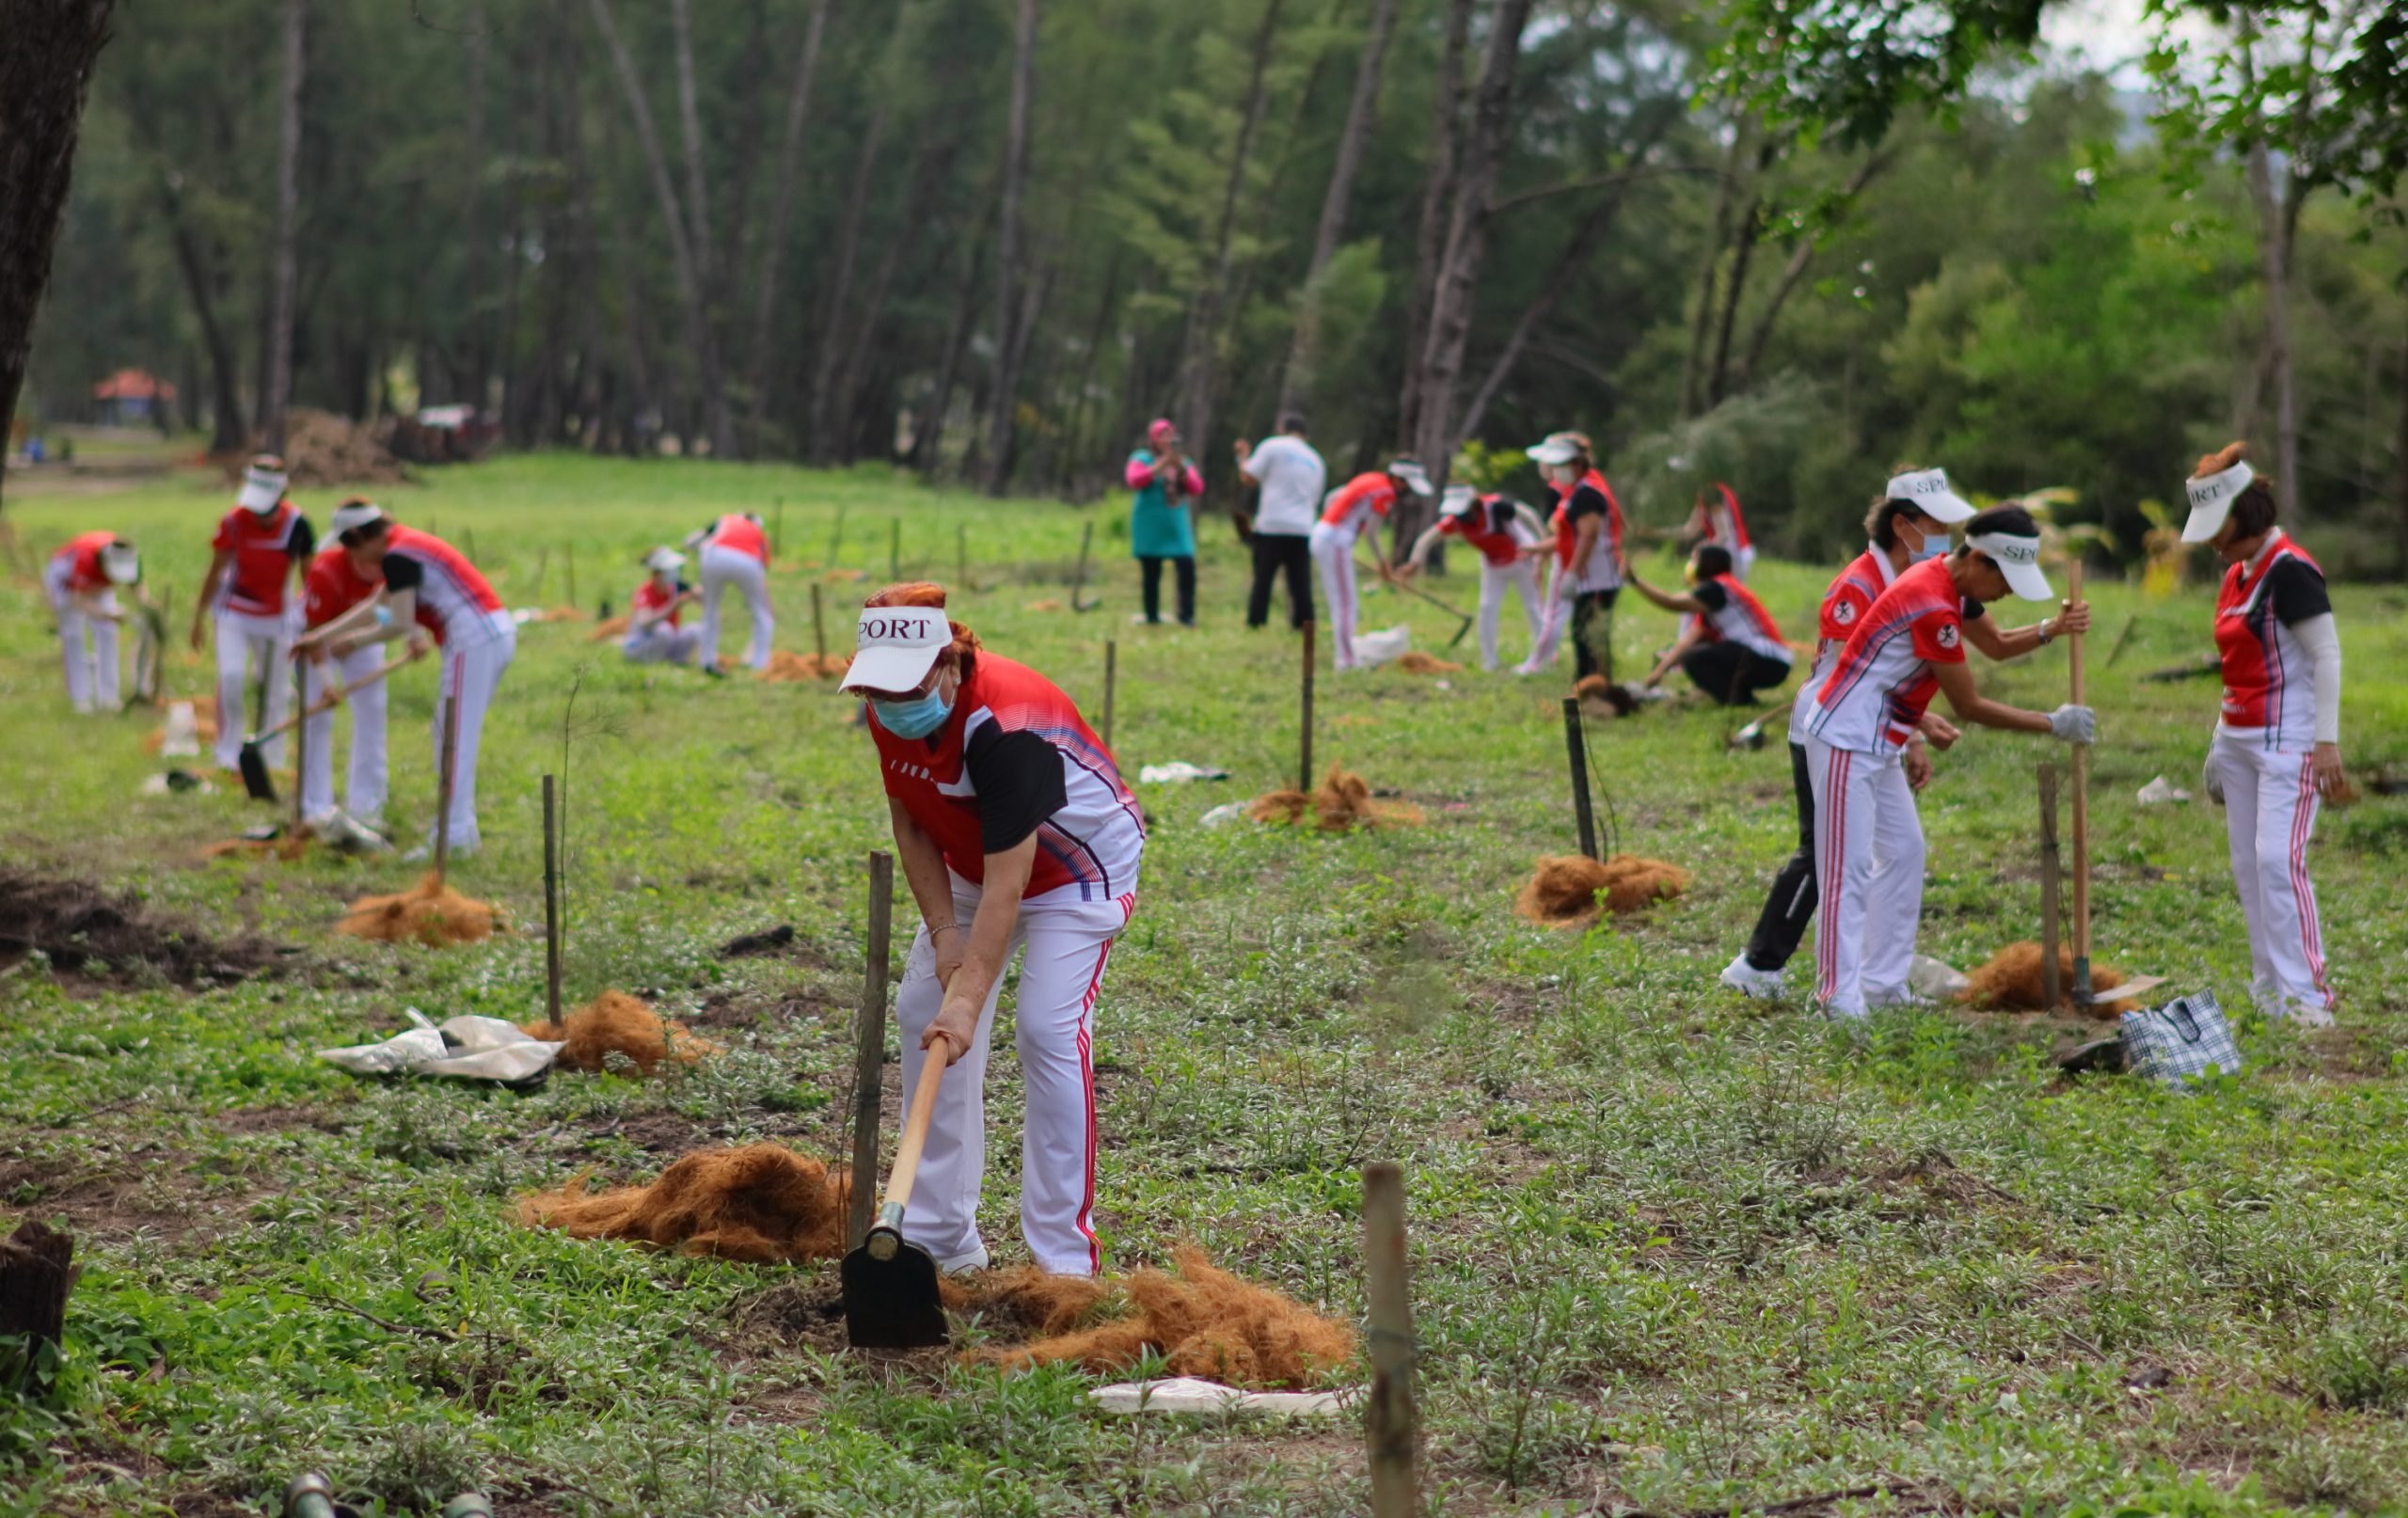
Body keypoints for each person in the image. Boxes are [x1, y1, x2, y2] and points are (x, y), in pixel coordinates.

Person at [840, 582, 1145, 1277]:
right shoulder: (889, 708)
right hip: (977, 861)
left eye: (904, 689)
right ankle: (945, 1240)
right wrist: (947, 937)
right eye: (877, 694)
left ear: (948, 663)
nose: (889, 706)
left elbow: (1013, 879)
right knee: (922, 1006)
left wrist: (972, 996)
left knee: (1045, 1028)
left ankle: (1065, 1262)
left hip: (1075, 872)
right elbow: (911, 818)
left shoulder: (1009, 727)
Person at [1798, 502, 2095, 1019]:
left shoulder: (1950, 584)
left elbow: (1998, 645)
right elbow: (1970, 706)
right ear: (1979, 559)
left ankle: (1882, 984)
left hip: (1882, 736)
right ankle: (1833, 997)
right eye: (2005, 580)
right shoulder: (1933, 602)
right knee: (1845, 870)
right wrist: (2053, 722)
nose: (2006, 593)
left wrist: (2053, 627)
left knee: (1906, 851)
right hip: (1847, 735)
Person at [2183, 442, 2343, 1024]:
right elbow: (2238, 665)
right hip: (2238, 739)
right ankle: (2270, 994)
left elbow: (2326, 656)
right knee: (2248, 868)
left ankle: (2308, 1002)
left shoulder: (2290, 571)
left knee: (2278, 862)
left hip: (2288, 743)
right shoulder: (2234, 575)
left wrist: (2326, 743)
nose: (2208, 540)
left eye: (2215, 526)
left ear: (2243, 515)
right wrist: (2217, 743)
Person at [289, 502, 515, 858]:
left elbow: (397, 623)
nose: (349, 555)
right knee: (450, 733)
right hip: (488, 634)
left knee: (451, 737)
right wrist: (320, 638)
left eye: (350, 546)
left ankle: (453, 835)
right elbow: (375, 604)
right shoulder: (402, 547)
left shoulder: (397, 556)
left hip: (474, 637)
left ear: (361, 537)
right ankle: (459, 830)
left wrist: (354, 642)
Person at [296, 504, 416, 833]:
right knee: (317, 720)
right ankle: (315, 807)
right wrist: (326, 683)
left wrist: (414, 635)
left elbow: (389, 612)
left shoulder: (389, 563)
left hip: (361, 639)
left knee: (372, 715)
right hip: (317, 639)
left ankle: (367, 808)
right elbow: (311, 635)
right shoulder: (326, 572)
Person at [195, 455, 313, 772]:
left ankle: (271, 756)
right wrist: (198, 618)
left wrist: (309, 621)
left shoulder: (298, 525)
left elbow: (310, 578)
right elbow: (215, 570)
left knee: (275, 689)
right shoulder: (233, 522)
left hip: (277, 619)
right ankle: (229, 753)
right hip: (234, 614)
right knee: (231, 679)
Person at [1515, 432, 1625, 681]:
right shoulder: (1575, 491)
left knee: (1590, 633)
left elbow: (1588, 537)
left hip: (1598, 577)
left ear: (1577, 464)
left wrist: (1572, 573)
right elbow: (1570, 537)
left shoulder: (1588, 493)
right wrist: (1539, 549)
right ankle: (1586, 682)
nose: (1555, 471)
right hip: (1587, 576)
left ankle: (1596, 684)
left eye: (1560, 466)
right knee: (1581, 632)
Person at [1401, 485, 1547, 672]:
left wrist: (1543, 543)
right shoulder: (1455, 521)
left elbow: (1527, 514)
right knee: (1487, 608)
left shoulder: (1495, 507)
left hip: (1522, 559)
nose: (1460, 517)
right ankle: (1490, 661)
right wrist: (1415, 562)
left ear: (1472, 504)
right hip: (1492, 565)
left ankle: (1545, 655)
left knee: (1532, 606)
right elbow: (1427, 539)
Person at [1626, 544, 1794, 704]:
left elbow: (1671, 603)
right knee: (1695, 652)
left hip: (1765, 659)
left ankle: (1736, 699)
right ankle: (1738, 695)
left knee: (1695, 658)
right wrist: (1658, 673)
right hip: (1773, 661)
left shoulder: (1716, 588)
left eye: (1694, 560)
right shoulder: (1717, 597)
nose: (1690, 566)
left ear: (1708, 564)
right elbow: (1687, 642)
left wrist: (1634, 581)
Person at [1308, 457, 1432, 670]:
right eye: (1407, 486)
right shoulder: (1386, 492)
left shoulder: (1370, 478)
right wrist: (1383, 563)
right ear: (1398, 479)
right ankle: (1346, 661)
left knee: (1341, 602)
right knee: (1346, 604)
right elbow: (1373, 533)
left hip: (1325, 535)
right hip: (1335, 541)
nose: (1406, 492)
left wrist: (1333, 523)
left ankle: (1345, 655)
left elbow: (1333, 497)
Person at [1233, 414, 1326, 631]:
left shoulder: (1272, 446)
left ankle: (1256, 622)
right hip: (1303, 527)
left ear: (1282, 429)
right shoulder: (1316, 459)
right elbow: (1316, 497)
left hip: (1272, 524)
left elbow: (1248, 477)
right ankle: (1304, 624)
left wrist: (1242, 457)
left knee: (1263, 578)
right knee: (1300, 583)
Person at [44, 531, 140, 713]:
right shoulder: (85, 558)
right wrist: (105, 614)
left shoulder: (130, 556)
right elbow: (77, 600)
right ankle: (81, 698)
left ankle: (109, 698)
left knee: (108, 633)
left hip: (96, 584)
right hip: (67, 585)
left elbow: (138, 588)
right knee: (73, 637)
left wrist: (144, 609)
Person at [1126, 419, 1203, 626]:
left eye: (1171, 436)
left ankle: (1186, 615)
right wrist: (1161, 465)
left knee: (1186, 565)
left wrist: (1180, 469)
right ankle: (1151, 616)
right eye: (1163, 435)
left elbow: (1196, 488)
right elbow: (1135, 480)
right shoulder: (1141, 458)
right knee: (1151, 571)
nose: (1167, 440)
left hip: (1176, 524)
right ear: (1154, 439)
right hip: (1150, 525)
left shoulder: (1183, 462)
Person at [684, 512, 774, 675]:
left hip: (712, 554)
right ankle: (759, 663)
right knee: (762, 615)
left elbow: (691, 542)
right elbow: (763, 567)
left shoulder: (725, 520)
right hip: (747, 560)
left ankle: (707, 660)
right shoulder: (760, 535)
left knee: (710, 609)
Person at [624, 548, 704, 666]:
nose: (676, 573)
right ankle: (653, 662)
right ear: (657, 574)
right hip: (640, 645)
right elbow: (645, 622)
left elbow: (705, 598)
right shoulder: (645, 592)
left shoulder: (675, 588)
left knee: (694, 630)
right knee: (664, 630)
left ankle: (676, 660)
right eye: (671, 570)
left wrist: (692, 590)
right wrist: (672, 607)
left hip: (666, 642)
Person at [1686, 482, 1754, 578]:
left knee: (1729, 586)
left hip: (1734, 552)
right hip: (1738, 551)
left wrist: (1704, 546)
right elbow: (1689, 530)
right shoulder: (1715, 500)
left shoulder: (1716, 505)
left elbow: (1724, 535)